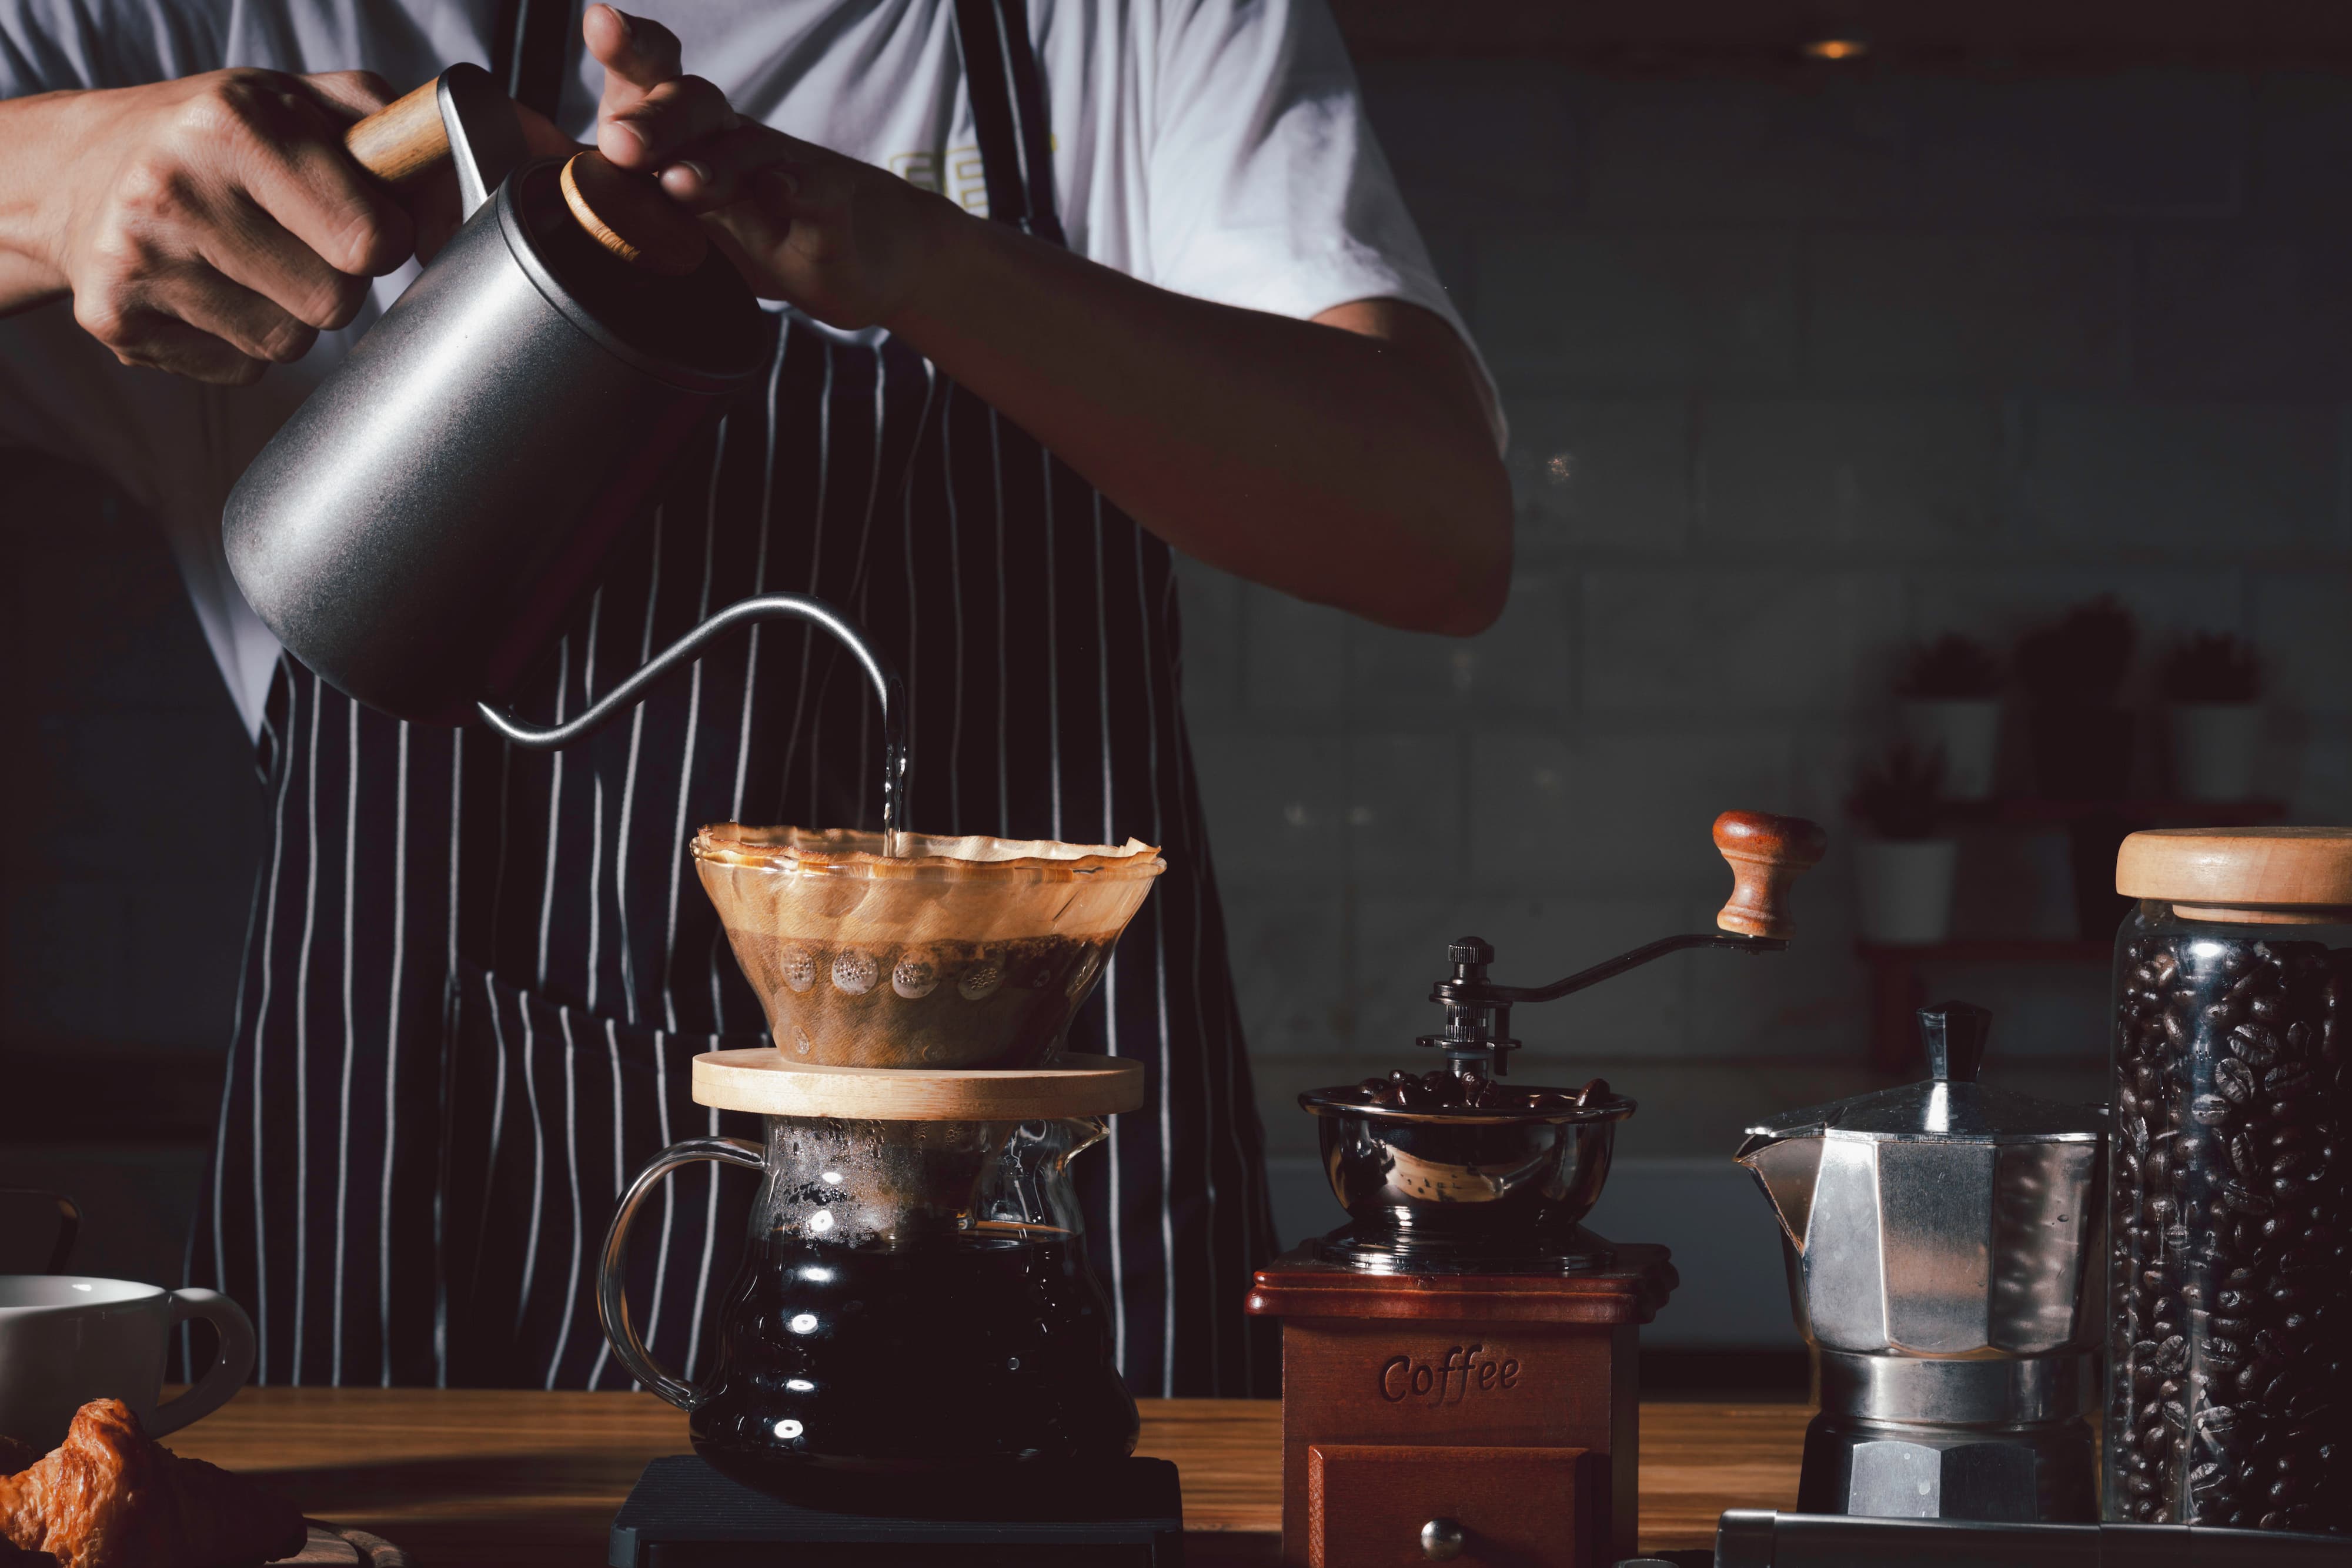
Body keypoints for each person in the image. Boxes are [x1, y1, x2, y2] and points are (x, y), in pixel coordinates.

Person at [0, 0, 1509, 1395]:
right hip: (435, 1251)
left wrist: (916, 263)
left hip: (1023, 1223)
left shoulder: (1116, 26)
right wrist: (60, 178)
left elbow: (1437, 530)